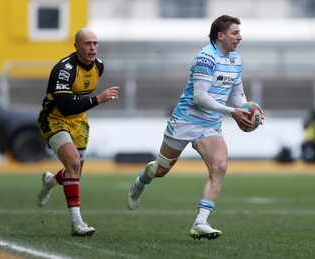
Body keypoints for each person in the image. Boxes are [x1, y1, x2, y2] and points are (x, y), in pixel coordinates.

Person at [127, 15, 262, 240]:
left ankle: (201, 222)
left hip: (209, 125)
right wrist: (232, 112)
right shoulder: (205, 58)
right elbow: (200, 98)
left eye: (239, 32)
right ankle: (141, 181)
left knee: (219, 167)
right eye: (235, 32)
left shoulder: (236, 61)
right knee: (161, 170)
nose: (240, 37)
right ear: (221, 35)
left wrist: (248, 111)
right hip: (185, 120)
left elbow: (238, 96)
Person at [36, 28, 119, 236]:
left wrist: (91, 102)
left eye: (95, 43)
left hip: (79, 121)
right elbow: (64, 106)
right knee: (73, 164)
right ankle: (77, 223)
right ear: (76, 46)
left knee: (75, 172)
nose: (92, 48)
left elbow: (78, 103)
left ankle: (50, 181)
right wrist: (97, 99)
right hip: (54, 119)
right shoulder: (64, 70)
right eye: (87, 43)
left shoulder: (98, 66)